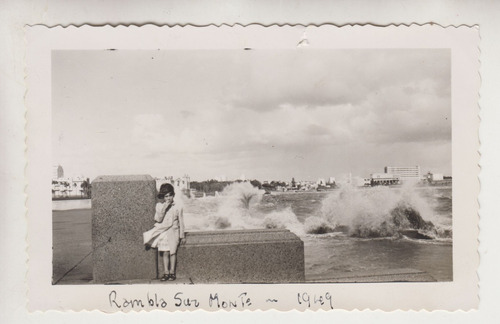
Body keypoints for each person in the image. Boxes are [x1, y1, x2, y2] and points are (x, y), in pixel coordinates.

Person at [143, 183, 185, 281]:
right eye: (166, 196)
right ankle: (166, 272)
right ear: (163, 197)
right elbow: (158, 219)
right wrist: (164, 208)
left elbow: (181, 222)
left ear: (173, 195)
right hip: (164, 233)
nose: (168, 198)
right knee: (165, 252)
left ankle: (172, 272)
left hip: (174, 232)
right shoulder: (159, 206)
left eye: (170, 195)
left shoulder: (178, 207)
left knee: (173, 252)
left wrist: (182, 236)